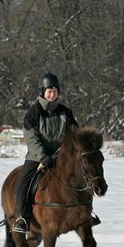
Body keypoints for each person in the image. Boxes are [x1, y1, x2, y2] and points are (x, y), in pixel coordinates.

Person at [12, 72, 79, 233]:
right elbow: (31, 137)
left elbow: (74, 134)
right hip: (37, 157)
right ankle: (22, 218)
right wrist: (43, 156)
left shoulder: (66, 112)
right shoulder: (33, 112)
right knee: (22, 181)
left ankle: (85, 212)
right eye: (49, 91)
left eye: (55, 91)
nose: (52, 94)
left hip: (61, 157)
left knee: (82, 174)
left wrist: (64, 152)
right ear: (42, 92)